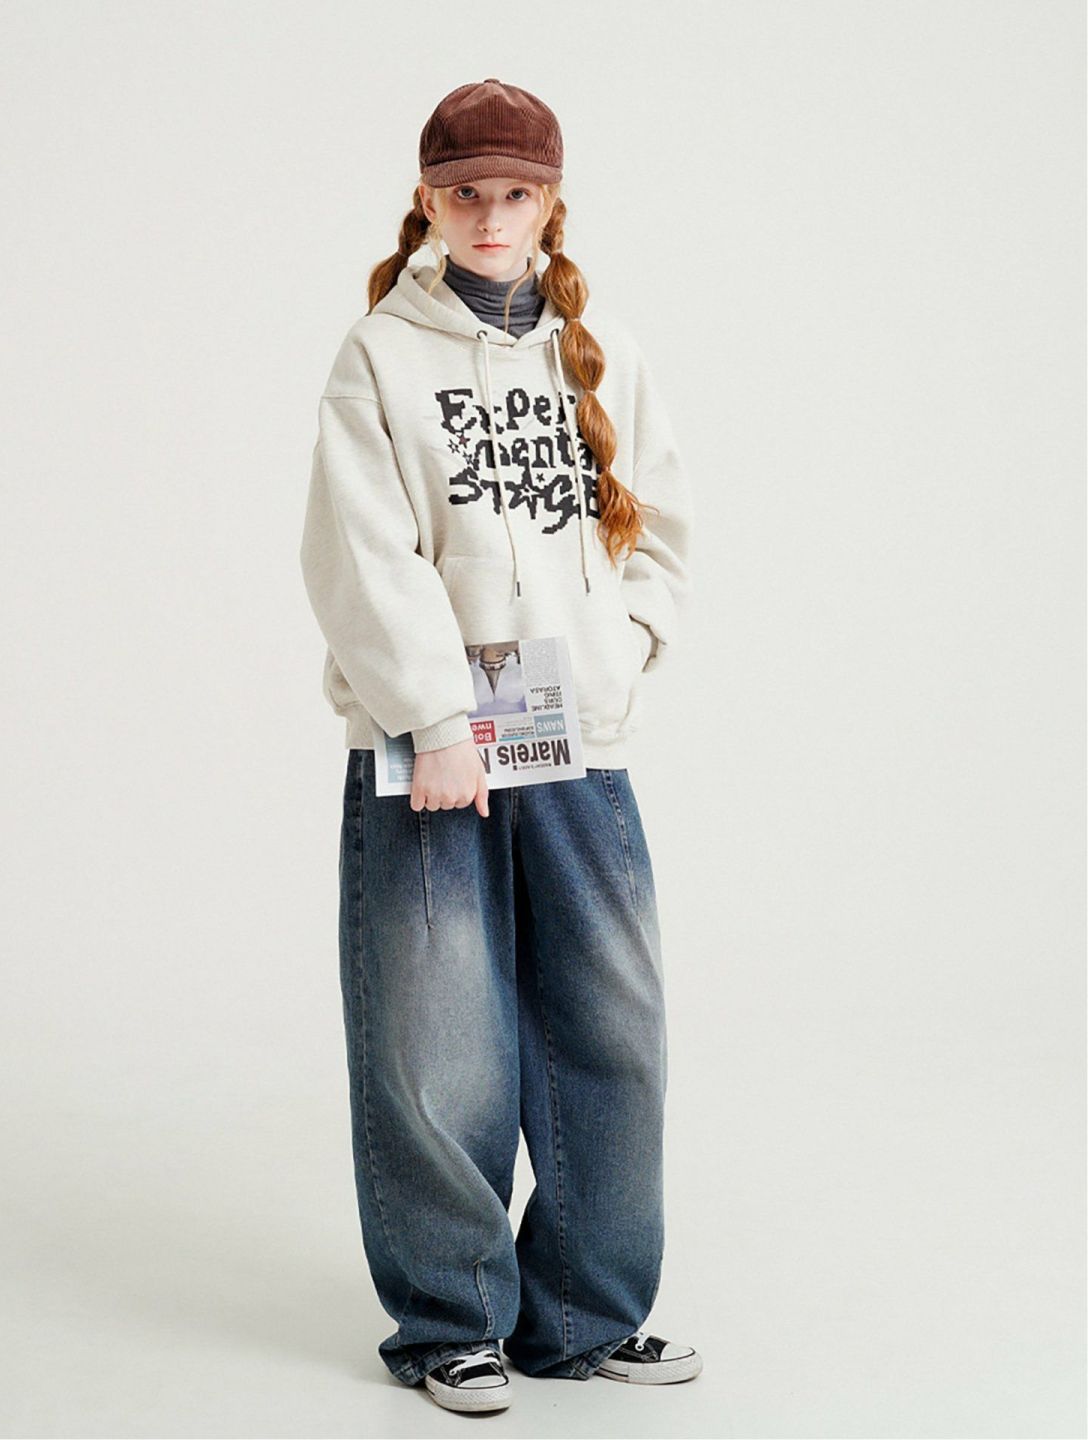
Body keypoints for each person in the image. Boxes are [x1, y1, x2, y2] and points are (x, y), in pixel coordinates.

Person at [299, 78, 701, 1416]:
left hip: (575, 738)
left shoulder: (605, 350)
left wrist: (621, 650)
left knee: (613, 1028)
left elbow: (660, 531)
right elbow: (361, 554)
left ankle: (583, 1315)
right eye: (465, 192)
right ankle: (451, 1323)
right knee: (439, 1045)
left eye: (514, 193)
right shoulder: (380, 355)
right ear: (427, 200)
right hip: (432, 756)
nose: (489, 215)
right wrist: (432, 717)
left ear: (550, 203)